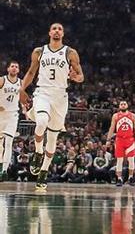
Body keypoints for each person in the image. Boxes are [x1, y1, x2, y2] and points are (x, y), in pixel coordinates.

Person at [19, 23, 84, 193]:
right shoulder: (39, 51)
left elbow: (81, 76)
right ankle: (38, 153)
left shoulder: (70, 52)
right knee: (41, 121)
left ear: (63, 33)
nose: (57, 31)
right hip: (43, 92)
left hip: (60, 96)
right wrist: (21, 89)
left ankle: (44, 171)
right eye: (54, 28)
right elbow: (31, 73)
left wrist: (75, 77)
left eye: (60, 29)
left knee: (53, 138)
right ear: (49, 32)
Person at [107, 100, 135, 186]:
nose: (122, 105)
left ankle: (130, 178)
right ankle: (119, 179)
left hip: (130, 140)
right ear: (119, 106)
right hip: (119, 140)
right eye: (121, 104)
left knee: (131, 159)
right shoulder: (115, 116)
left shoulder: (132, 115)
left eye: (124, 104)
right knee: (119, 160)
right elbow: (112, 128)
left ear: (127, 105)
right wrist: (108, 139)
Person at [0, 61, 21, 181]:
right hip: (0, 115)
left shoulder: (21, 83)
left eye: (16, 67)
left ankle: (4, 170)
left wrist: (25, 108)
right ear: (8, 69)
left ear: (18, 70)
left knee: (8, 143)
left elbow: (22, 98)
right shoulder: (2, 80)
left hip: (12, 115)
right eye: (12, 66)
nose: (14, 68)